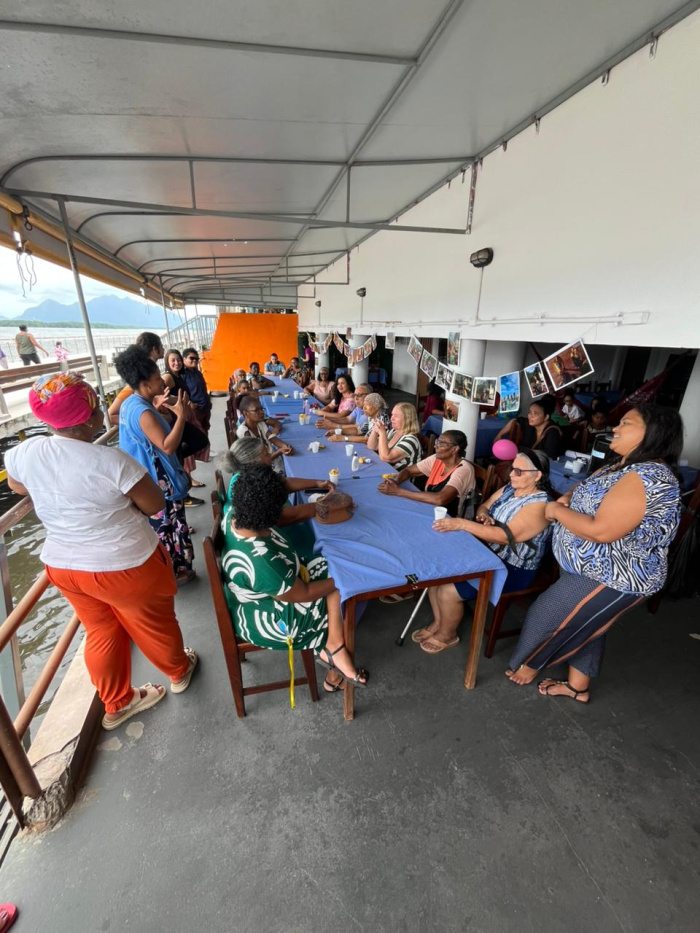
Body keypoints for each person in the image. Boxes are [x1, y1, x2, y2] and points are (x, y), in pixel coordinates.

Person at [5, 371, 197, 731]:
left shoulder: (26, 452)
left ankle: (118, 702)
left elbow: (17, 485)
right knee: (154, 624)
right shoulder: (111, 462)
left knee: (101, 631)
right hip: (125, 564)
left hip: (65, 566)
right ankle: (178, 670)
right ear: (91, 417)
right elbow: (155, 504)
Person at [506, 405, 682, 703]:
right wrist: (565, 498)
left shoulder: (650, 476)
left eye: (626, 423)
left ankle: (531, 662)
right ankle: (578, 688)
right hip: (587, 567)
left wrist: (554, 510)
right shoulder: (622, 465)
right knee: (589, 625)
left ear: (653, 433)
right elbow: (584, 487)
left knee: (545, 615)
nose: (615, 427)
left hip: (616, 575)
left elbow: (601, 531)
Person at [222, 464, 369, 692]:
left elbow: (283, 488)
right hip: (270, 616)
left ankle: (333, 643)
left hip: (274, 588)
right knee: (351, 587)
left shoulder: (239, 512)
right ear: (272, 512)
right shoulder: (261, 560)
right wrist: (341, 580)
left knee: (339, 565)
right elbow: (304, 593)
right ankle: (334, 651)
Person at [414, 449, 554, 654]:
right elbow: (484, 506)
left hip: (513, 567)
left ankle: (447, 635)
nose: (511, 475)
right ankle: (438, 623)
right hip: (487, 552)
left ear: (538, 475)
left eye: (518, 472)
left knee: (448, 590)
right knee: (438, 576)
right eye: (511, 470)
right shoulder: (510, 488)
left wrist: (462, 524)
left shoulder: (540, 505)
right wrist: (484, 516)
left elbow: (505, 537)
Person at [115, 347, 196, 585]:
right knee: (169, 525)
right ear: (144, 384)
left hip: (145, 474)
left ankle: (171, 570)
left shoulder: (132, 403)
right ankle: (177, 571)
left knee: (161, 526)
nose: (162, 381)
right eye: (156, 378)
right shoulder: (142, 411)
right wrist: (181, 416)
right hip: (158, 480)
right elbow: (167, 446)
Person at [378, 431, 475, 516]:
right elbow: (409, 470)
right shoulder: (437, 459)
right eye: (437, 441)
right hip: (428, 508)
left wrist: (398, 491)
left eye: (441, 443)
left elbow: (440, 499)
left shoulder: (464, 469)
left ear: (454, 449)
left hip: (448, 518)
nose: (435, 446)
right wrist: (396, 482)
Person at [163, 349, 209, 488]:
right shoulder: (168, 377)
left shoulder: (179, 376)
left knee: (200, 441)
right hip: (176, 419)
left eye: (178, 360)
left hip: (184, 416)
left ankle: (180, 466)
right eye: (173, 360)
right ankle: (182, 475)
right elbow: (160, 396)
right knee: (198, 441)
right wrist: (178, 400)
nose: (176, 363)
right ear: (167, 362)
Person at [108, 332, 164, 426]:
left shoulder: (152, 377)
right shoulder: (136, 384)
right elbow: (110, 416)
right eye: (161, 346)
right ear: (155, 349)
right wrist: (141, 423)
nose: (163, 349)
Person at [494, 395, 563, 459]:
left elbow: (549, 455)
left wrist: (522, 450)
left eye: (535, 413)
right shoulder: (530, 424)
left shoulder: (552, 432)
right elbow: (514, 421)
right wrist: (499, 435)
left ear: (546, 417)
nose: (530, 416)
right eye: (530, 412)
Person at [236, 394, 293, 464]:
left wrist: (285, 446)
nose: (261, 412)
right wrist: (279, 452)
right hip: (260, 468)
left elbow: (273, 438)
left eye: (261, 408)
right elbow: (258, 461)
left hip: (270, 459)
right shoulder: (244, 432)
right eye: (256, 410)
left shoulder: (260, 423)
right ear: (245, 413)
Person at [367, 402, 422, 470]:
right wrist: (375, 430)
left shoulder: (411, 440)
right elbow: (372, 447)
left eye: (396, 416)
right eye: (392, 414)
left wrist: (382, 433)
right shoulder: (394, 432)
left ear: (407, 419)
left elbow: (386, 457)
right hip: (386, 471)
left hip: (399, 478)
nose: (392, 418)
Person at [181, 347, 212, 435]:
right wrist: (190, 403)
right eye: (191, 358)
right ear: (184, 359)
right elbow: (182, 391)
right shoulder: (183, 374)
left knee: (205, 432)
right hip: (195, 410)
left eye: (196, 359)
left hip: (205, 408)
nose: (195, 360)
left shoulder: (197, 372)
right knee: (198, 434)